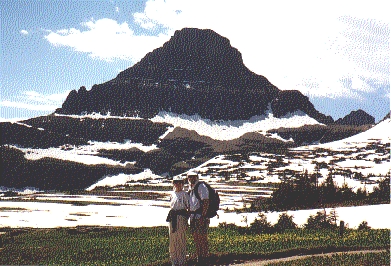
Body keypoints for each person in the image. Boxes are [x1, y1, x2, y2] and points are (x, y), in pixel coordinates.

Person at [166, 176, 190, 266]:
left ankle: (182, 261)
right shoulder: (172, 194)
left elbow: (188, 207)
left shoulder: (184, 194)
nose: (178, 184)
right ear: (173, 184)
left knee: (181, 239)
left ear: (182, 184)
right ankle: (174, 261)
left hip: (181, 217)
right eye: (176, 182)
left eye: (180, 183)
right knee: (173, 240)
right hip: (173, 218)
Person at [187, 172, 210, 265]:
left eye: (193, 177)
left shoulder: (201, 187)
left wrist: (203, 216)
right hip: (194, 217)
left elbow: (206, 201)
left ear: (196, 177)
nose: (191, 178)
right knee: (196, 238)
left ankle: (204, 258)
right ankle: (200, 258)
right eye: (189, 177)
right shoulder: (191, 188)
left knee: (202, 238)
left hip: (200, 217)